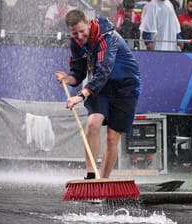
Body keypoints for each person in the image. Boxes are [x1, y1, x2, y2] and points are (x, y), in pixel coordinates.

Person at [55, 9, 141, 179]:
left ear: (89, 24)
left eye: (82, 31)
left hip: (126, 88)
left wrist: (80, 96)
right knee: (93, 123)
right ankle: (91, 176)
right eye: (74, 33)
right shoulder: (76, 41)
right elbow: (78, 72)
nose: (79, 36)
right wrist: (69, 78)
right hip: (101, 88)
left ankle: (103, 181)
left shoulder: (107, 38)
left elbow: (103, 71)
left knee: (112, 137)